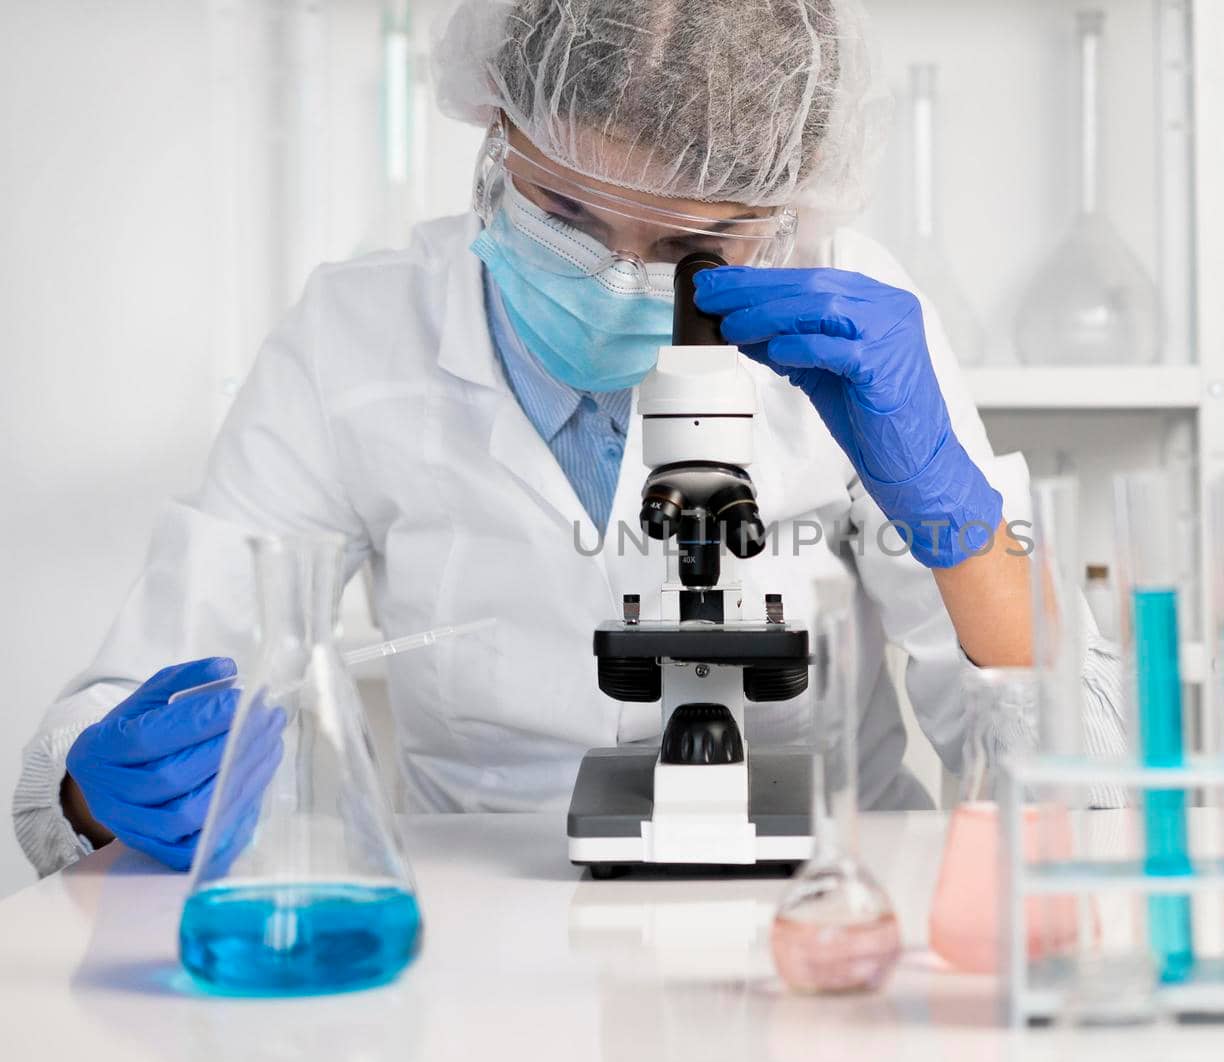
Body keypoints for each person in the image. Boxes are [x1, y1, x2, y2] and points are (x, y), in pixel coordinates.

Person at [12, 0, 1124, 876]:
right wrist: (104, 783)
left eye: (692, 245)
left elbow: (1086, 778)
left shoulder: (853, 319)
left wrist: (950, 512)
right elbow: (103, 743)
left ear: (786, 210)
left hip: (828, 898)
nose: (615, 279)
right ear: (497, 129)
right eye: (566, 214)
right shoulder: (354, 335)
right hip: (474, 924)